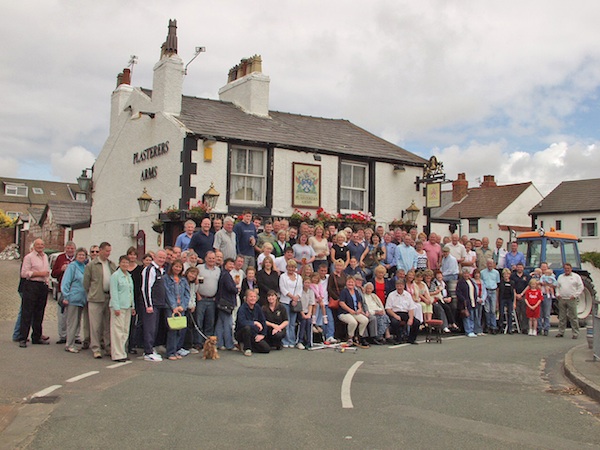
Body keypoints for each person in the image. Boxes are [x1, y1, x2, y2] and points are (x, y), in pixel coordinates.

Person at [83, 242, 117, 358]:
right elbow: (86, 283)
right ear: (101, 250)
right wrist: (91, 292)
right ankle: (96, 348)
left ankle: (108, 347)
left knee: (107, 324)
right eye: (107, 251)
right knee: (95, 325)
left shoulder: (112, 264)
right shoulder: (92, 265)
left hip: (109, 297)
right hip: (96, 298)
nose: (108, 253)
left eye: (110, 251)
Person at [141, 250, 168, 362]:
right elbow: (145, 288)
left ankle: (151, 348)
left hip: (158, 304)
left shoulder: (160, 270)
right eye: (159, 257)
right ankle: (148, 352)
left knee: (154, 328)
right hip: (151, 305)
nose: (161, 259)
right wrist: (148, 305)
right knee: (149, 328)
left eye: (163, 258)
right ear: (155, 257)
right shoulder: (150, 269)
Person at [60, 247, 88, 353]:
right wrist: (66, 296)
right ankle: (69, 344)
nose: (81, 257)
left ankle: (73, 343)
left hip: (81, 299)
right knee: (72, 322)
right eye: (79, 255)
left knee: (77, 323)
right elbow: (66, 282)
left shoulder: (85, 267)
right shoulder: (72, 267)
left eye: (83, 255)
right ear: (76, 256)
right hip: (72, 298)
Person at [109, 255, 135, 362]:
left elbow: (131, 292)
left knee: (125, 331)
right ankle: (117, 354)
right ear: (119, 263)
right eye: (123, 262)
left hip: (127, 306)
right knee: (117, 331)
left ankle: (123, 352)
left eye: (127, 263)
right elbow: (114, 292)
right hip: (118, 307)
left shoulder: (129, 276)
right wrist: (116, 307)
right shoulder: (115, 276)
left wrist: (133, 306)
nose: (125, 265)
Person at [163, 259, 190, 360]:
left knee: (180, 329)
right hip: (171, 308)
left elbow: (187, 294)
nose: (177, 269)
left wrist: (183, 306)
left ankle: (176, 350)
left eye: (179, 267)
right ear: (172, 267)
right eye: (176, 266)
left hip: (181, 307)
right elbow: (167, 293)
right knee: (172, 330)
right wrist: (174, 307)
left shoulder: (183, 279)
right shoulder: (166, 278)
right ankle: (170, 352)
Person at [51, 241, 76, 345]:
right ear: (65, 248)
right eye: (68, 248)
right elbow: (53, 274)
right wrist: (61, 270)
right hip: (62, 290)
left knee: (75, 315)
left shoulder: (78, 258)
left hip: (75, 291)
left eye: (72, 248)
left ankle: (76, 336)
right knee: (62, 314)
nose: (70, 250)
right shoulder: (60, 258)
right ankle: (63, 336)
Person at [194, 251, 221, 347]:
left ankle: (208, 343)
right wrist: (197, 294)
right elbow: (195, 281)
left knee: (210, 322)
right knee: (199, 321)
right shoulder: (199, 268)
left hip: (212, 300)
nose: (211, 260)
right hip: (201, 298)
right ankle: (198, 342)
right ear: (205, 258)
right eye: (210, 258)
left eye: (213, 258)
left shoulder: (218, 270)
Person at [235, 290, 270, 356]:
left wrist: (263, 334)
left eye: (254, 297)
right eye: (251, 296)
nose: (253, 298)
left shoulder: (257, 307)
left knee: (266, 349)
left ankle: (248, 345)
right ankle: (247, 349)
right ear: (246, 298)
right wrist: (254, 323)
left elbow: (263, 321)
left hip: (254, 334)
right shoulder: (242, 309)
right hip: (241, 333)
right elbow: (242, 322)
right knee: (247, 328)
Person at [385, 279, 420, 344]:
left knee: (416, 322)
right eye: (398, 286)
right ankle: (398, 339)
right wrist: (395, 316)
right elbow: (388, 309)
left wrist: (411, 318)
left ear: (403, 286)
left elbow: (411, 308)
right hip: (394, 313)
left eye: (401, 286)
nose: (399, 287)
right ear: (395, 286)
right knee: (395, 322)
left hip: (405, 313)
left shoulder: (407, 295)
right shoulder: (391, 295)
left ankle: (411, 339)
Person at [338, 276, 370, 347]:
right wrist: (350, 310)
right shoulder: (344, 291)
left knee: (365, 320)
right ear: (346, 283)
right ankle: (350, 338)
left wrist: (359, 309)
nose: (350, 283)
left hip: (355, 312)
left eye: (352, 282)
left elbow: (359, 302)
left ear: (354, 283)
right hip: (345, 313)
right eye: (349, 282)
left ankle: (359, 337)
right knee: (353, 322)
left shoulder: (356, 291)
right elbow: (341, 303)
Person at [556, 263, 584, 339]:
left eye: (568, 268)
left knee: (573, 316)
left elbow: (581, 287)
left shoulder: (576, 277)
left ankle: (575, 333)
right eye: (565, 269)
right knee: (562, 317)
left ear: (571, 269)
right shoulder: (560, 277)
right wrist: (558, 294)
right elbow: (557, 287)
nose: (567, 270)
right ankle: (561, 332)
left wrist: (575, 295)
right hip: (562, 298)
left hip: (571, 299)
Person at [279, 260, 303, 348]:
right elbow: (283, 288)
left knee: (292, 323)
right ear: (286, 267)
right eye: (289, 267)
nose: (291, 269)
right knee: (286, 322)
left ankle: (292, 341)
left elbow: (300, 289)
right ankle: (285, 341)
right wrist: (292, 296)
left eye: (293, 267)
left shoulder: (299, 277)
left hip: (295, 303)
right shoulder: (283, 277)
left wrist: (296, 298)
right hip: (285, 301)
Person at [215, 258, 237, 351]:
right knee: (227, 324)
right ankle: (229, 344)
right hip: (226, 302)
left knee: (220, 323)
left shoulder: (224, 274)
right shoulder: (226, 275)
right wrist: (236, 288)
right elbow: (230, 288)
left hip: (221, 302)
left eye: (233, 264)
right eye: (230, 264)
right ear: (225, 264)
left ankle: (218, 343)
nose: (231, 266)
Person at [456, 269, 478, 338]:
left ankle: (472, 330)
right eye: (464, 274)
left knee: (472, 316)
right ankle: (468, 331)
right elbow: (458, 293)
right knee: (466, 317)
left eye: (467, 273)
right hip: (464, 303)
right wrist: (463, 299)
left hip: (472, 302)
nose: (466, 275)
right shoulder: (460, 282)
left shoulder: (471, 281)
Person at [480, 259, 500, 334]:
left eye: (491, 264)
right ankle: (488, 326)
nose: (490, 265)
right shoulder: (482, 272)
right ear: (486, 264)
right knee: (487, 310)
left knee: (493, 310)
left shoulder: (496, 273)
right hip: (486, 291)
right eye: (488, 264)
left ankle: (493, 326)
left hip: (493, 291)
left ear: (493, 264)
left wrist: (497, 296)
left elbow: (498, 285)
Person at [511, 263, 530, 334]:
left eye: (521, 267)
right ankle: (518, 327)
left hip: (524, 296)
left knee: (524, 312)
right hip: (515, 296)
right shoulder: (512, 276)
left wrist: (522, 294)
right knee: (517, 312)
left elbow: (528, 286)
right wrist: (516, 295)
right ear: (516, 268)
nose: (519, 268)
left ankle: (525, 328)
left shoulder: (526, 276)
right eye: (518, 267)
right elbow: (512, 285)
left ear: (523, 268)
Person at [297, 276, 316, 349]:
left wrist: (309, 314)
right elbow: (299, 304)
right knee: (303, 321)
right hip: (300, 312)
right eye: (306, 282)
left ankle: (309, 342)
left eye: (308, 283)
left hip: (307, 312)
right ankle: (300, 341)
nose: (307, 284)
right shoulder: (300, 291)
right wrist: (303, 314)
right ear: (303, 283)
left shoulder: (311, 292)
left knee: (308, 321)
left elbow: (311, 304)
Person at [539, 268, 557, 336]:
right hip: (540, 294)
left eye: (545, 267)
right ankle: (539, 328)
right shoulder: (540, 276)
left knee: (546, 313)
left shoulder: (552, 276)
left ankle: (546, 328)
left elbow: (555, 284)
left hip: (547, 295)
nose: (543, 268)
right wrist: (542, 283)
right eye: (542, 267)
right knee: (539, 313)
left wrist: (548, 284)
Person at [497, 269, 516, 333]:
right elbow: (498, 291)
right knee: (501, 313)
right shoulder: (501, 282)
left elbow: (514, 292)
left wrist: (514, 302)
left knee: (510, 313)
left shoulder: (512, 282)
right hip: (502, 299)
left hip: (510, 299)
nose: (506, 276)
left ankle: (510, 328)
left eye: (507, 274)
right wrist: (497, 302)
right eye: (505, 274)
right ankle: (501, 327)